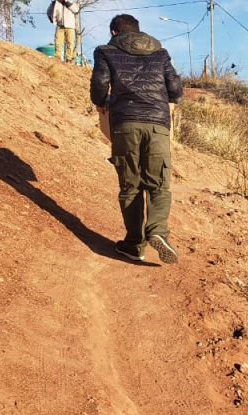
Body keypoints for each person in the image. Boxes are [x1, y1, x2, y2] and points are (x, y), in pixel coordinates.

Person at [90, 14, 183, 264]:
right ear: (139, 32)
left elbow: (100, 84)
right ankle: (158, 232)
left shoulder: (105, 51)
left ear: (113, 33)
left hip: (125, 125)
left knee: (131, 187)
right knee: (159, 185)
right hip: (158, 126)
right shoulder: (160, 53)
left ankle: (134, 244)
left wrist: (101, 103)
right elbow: (176, 91)